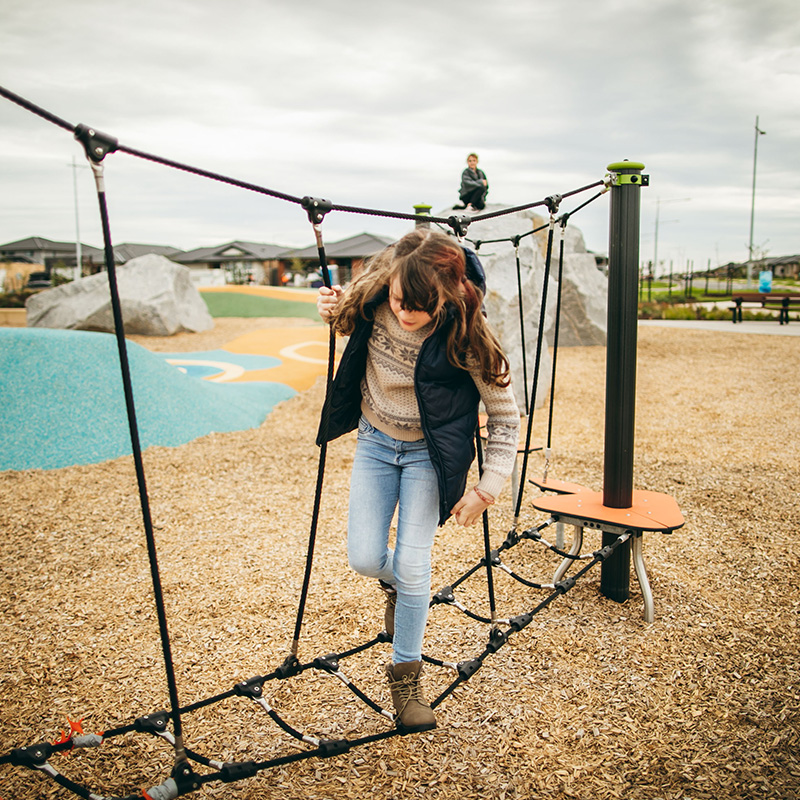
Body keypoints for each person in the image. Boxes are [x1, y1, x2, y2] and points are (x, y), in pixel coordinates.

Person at [316, 229, 519, 733]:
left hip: (428, 456)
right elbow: (343, 321)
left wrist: (487, 487)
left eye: (420, 308)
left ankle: (406, 673)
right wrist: (330, 307)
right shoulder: (378, 296)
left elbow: (505, 418)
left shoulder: (466, 335)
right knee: (365, 557)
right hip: (375, 441)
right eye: (400, 302)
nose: (405, 315)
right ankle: (400, 588)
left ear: (446, 299)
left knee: (413, 560)